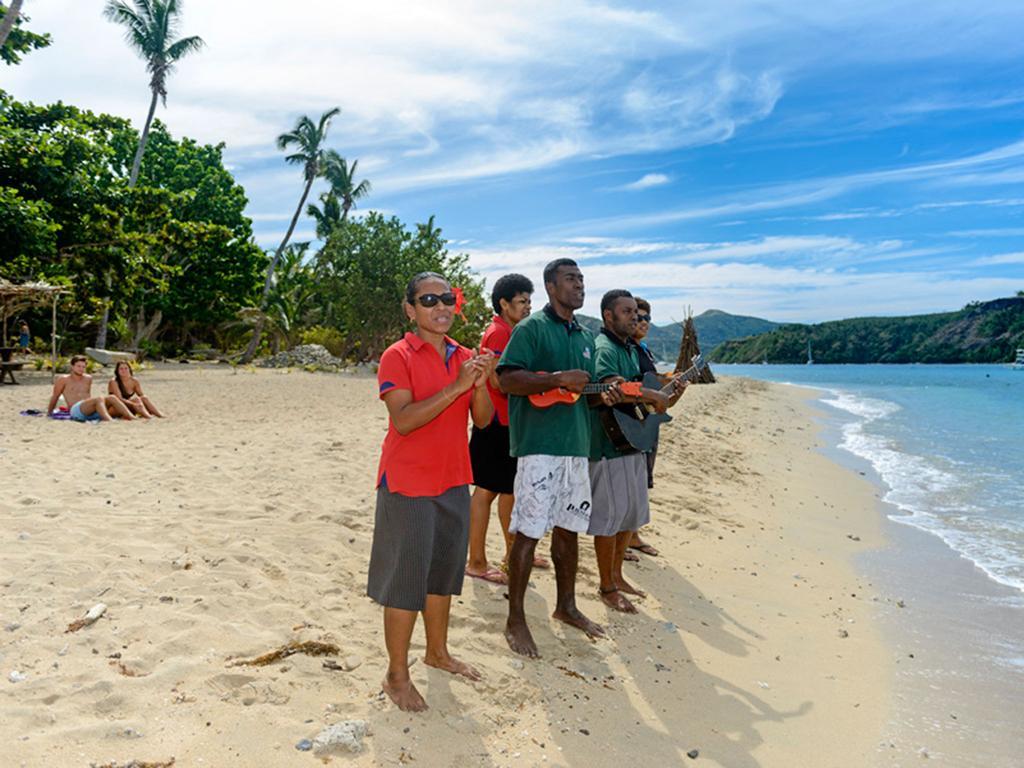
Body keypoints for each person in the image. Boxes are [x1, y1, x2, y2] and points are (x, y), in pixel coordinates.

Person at [367, 272, 497, 712]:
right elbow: (403, 420)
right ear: (410, 309)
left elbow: (481, 421)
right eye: (428, 300)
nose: (440, 306)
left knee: (443, 576)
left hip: (453, 480)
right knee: (405, 584)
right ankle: (396, 675)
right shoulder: (396, 355)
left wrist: (479, 384)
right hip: (408, 484)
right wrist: (457, 385)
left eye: (448, 298)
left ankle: (437, 652)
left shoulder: (464, 355)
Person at [497, 258, 623, 658]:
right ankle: (515, 618)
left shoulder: (584, 333)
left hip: (575, 446)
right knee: (529, 531)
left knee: (569, 529)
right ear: (551, 286)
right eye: (571, 279)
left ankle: (566, 606)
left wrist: (605, 392)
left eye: (582, 279)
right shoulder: (530, 329)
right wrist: (554, 379)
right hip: (538, 446)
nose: (579, 285)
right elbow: (507, 379)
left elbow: (583, 391)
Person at [588, 290, 686, 612]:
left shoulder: (629, 347)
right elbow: (614, 386)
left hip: (632, 440)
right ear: (608, 316)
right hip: (608, 444)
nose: (635, 317)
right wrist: (650, 394)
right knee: (609, 518)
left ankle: (617, 577)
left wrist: (664, 394)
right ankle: (606, 586)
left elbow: (645, 395)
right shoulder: (605, 347)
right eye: (628, 312)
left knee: (628, 515)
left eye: (637, 312)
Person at [466, 273, 543, 584]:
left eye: (529, 301)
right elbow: (498, 380)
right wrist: (539, 388)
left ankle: (513, 551)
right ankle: (476, 561)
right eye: (522, 301)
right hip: (494, 421)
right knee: (486, 491)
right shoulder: (498, 333)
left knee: (509, 491)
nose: (527, 307)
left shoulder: (510, 331)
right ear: (504, 303)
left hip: (509, 422)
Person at [629, 296, 661, 558]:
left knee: (643, 478)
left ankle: (633, 534)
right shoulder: (626, 349)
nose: (642, 322)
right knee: (633, 479)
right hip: (632, 423)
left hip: (648, 421)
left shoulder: (644, 349)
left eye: (647, 318)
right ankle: (628, 536)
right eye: (638, 317)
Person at [46, 355, 134, 422]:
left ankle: (132, 418)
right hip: (76, 410)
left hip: (90, 410)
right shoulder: (63, 379)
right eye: (78, 366)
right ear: (72, 366)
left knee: (112, 397)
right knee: (99, 398)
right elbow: (55, 396)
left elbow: (87, 396)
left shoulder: (88, 378)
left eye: (83, 367)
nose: (81, 369)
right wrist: (49, 413)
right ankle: (109, 421)